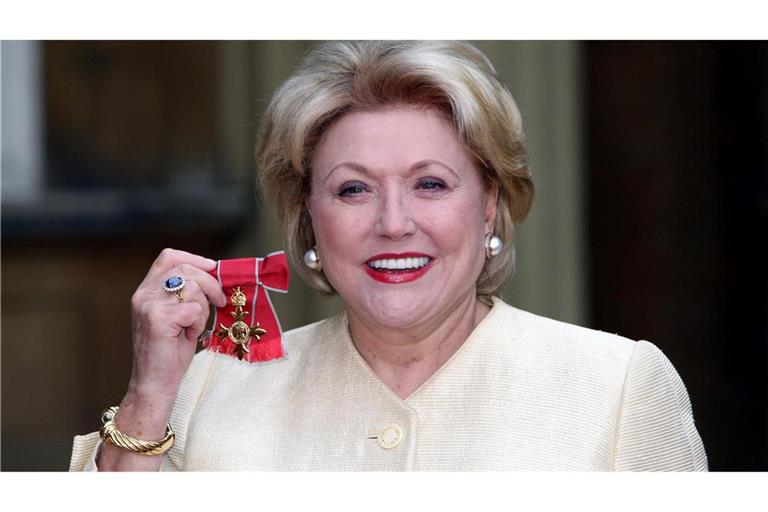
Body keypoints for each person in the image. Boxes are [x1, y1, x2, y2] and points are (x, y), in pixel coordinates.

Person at [70, 41, 707, 471]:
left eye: (430, 183)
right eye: (354, 189)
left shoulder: (621, 387)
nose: (394, 223)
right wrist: (149, 395)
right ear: (310, 219)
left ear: (489, 204)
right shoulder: (206, 389)